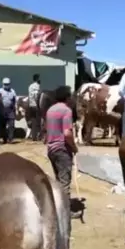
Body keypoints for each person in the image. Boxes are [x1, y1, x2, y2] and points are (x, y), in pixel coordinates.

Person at [45, 85, 81, 219]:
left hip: (51, 148)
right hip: (62, 149)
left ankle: (57, 207)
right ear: (67, 97)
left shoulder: (50, 110)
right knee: (64, 181)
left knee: (58, 180)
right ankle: (65, 212)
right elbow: (67, 133)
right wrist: (74, 147)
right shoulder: (66, 110)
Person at [0, 77, 17, 144]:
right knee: (2, 126)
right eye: (5, 84)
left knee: (11, 125)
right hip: (2, 110)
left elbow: (14, 100)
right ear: (3, 84)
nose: (6, 85)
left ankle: (11, 139)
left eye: (8, 84)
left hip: (10, 110)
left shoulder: (12, 91)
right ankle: (4, 139)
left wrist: (15, 108)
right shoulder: (0, 91)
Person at [28, 74, 42, 141]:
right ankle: (38, 136)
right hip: (36, 105)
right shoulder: (37, 86)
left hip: (31, 105)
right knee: (38, 121)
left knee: (33, 121)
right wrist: (38, 104)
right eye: (39, 78)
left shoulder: (30, 86)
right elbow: (36, 95)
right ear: (37, 79)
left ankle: (34, 136)